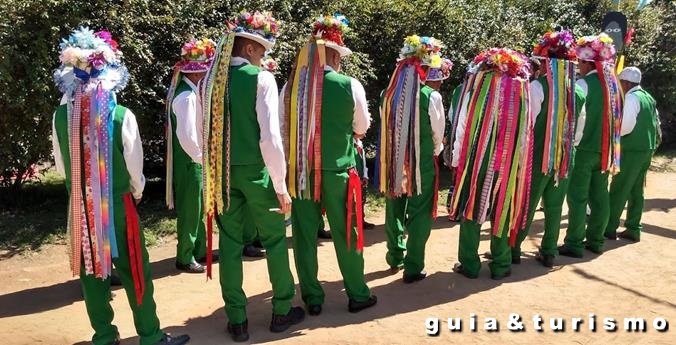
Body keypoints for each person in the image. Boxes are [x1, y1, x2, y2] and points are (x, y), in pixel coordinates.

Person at [52, 27, 189, 345]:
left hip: (82, 206)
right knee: (135, 268)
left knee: (92, 272)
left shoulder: (60, 117)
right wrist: (136, 192)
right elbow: (134, 167)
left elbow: (61, 167)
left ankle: (103, 336)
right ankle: (150, 335)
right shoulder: (120, 115)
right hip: (117, 203)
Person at [202, 11, 304, 342]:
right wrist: (280, 185)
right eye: (261, 52)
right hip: (258, 173)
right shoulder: (260, 79)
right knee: (274, 240)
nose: (263, 59)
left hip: (223, 175)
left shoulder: (208, 82)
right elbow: (270, 139)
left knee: (230, 243)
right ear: (248, 49)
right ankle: (282, 310)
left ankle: (237, 319)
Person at [281, 14, 376, 316]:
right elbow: (361, 125)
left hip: (301, 173)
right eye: (339, 55)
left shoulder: (290, 88)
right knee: (348, 232)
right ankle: (358, 294)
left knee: (305, 237)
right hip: (339, 172)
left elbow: (283, 132)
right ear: (333, 54)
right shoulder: (350, 85)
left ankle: (312, 297)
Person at [449, 48, 534, 280]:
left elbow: (463, 126)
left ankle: (470, 264)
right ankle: (501, 263)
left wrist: (457, 159)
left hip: (478, 159)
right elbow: (527, 129)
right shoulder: (521, 90)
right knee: (502, 209)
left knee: (471, 208)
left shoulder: (477, 90)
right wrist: (522, 162)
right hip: (509, 160)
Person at [511, 30, 586, 268]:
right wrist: (566, 148)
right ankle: (550, 250)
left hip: (538, 156)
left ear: (547, 63)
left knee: (527, 203)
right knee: (555, 205)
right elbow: (579, 129)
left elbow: (528, 124)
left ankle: (513, 248)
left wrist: (522, 154)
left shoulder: (537, 87)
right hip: (565, 156)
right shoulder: (579, 90)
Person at [378, 35, 445, 283]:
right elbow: (438, 133)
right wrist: (433, 151)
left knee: (394, 207)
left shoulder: (388, 94)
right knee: (420, 212)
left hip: (393, 161)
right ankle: (413, 266)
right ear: (424, 68)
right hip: (421, 163)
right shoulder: (431, 96)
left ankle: (395, 256)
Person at [559, 33, 623, 258]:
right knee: (600, 195)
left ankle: (575, 242)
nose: (579, 66)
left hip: (584, 149)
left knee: (577, 197)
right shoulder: (614, 87)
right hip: (605, 151)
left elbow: (575, 118)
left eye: (580, 62)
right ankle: (596, 241)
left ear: (589, 62)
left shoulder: (583, 84)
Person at [166, 38, 216, 273]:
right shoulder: (186, 97)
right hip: (191, 161)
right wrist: (200, 157)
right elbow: (186, 136)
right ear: (197, 74)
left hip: (195, 160)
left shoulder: (189, 92)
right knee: (190, 209)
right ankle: (185, 256)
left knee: (200, 206)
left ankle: (199, 250)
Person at [605, 66, 660, 242]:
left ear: (627, 83)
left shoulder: (631, 98)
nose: (619, 85)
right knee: (637, 189)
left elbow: (626, 126)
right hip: (646, 148)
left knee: (619, 188)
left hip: (631, 149)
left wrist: (611, 134)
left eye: (621, 82)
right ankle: (633, 228)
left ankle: (609, 227)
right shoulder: (647, 97)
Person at [354, 137, 375, 230]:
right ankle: (354, 222)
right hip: (354, 176)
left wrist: (365, 175)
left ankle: (361, 220)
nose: (366, 133)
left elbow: (364, 161)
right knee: (354, 199)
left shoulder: (360, 143)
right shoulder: (350, 144)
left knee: (362, 199)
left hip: (362, 175)